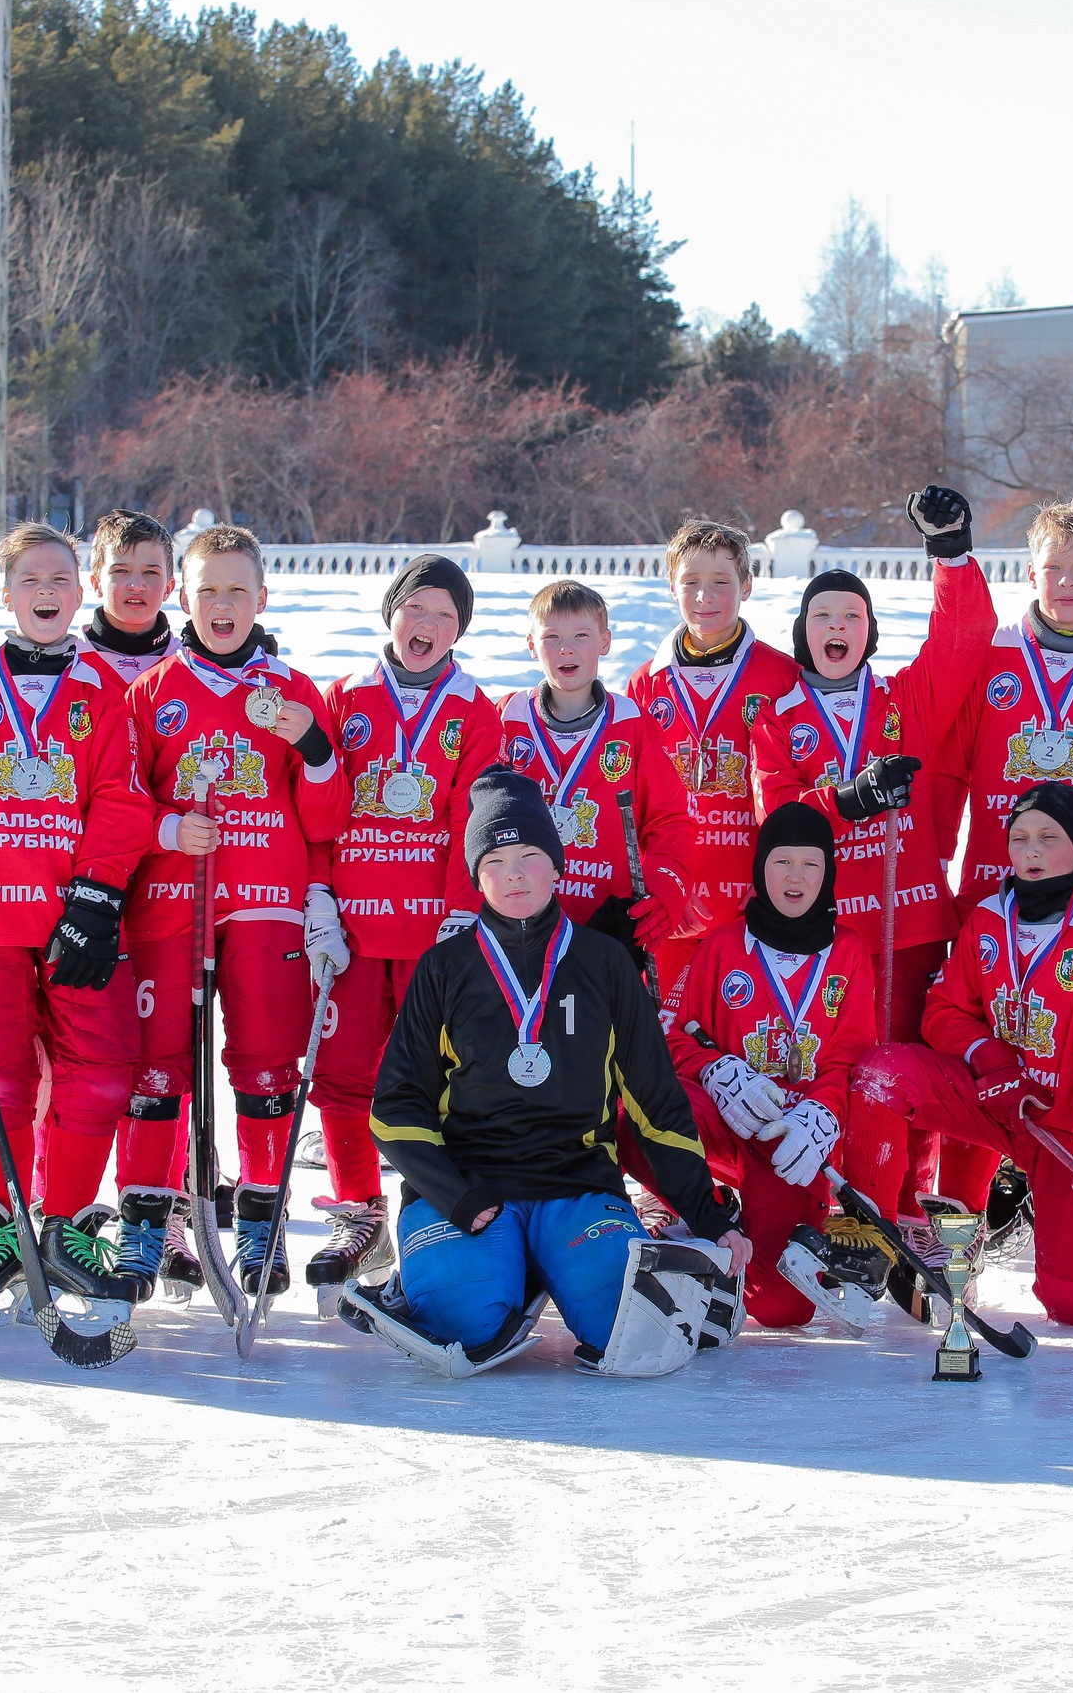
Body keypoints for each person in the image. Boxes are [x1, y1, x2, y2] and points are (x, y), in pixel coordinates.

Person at [342, 770, 748, 1378]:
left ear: (557, 866)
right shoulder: (444, 968)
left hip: (576, 1188)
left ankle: (541, 1262)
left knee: (625, 1330)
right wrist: (455, 1195)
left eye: (530, 856)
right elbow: (395, 1109)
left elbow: (656, 1104)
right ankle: (457, 1272)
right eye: (496, 859)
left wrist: (711, 1215)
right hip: (470, 1192)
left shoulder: (605, 963)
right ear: (477, 873)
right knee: (464, 1326)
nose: (514, 874)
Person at [0, 522, 154, 1321]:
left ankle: (67, 1227)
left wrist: (97, 893)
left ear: (79, 593)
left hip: (74, 925)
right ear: (7, 595)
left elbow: (122, 796)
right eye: (31, 581)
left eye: (61, 580)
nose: (47, 593)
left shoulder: (102, 691)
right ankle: (4, 1226)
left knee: (106, 1070)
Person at [749, 486, 990, 1246]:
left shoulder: (904, 701)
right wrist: (844, 800)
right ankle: (852, 1208)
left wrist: (949, 552)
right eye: (824, 616)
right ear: (803, 632)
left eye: (852, 616)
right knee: (842, 1072)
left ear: (870, 632)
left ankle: (910, 1214)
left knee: (911, 1067)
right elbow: (776, 816)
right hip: (827, 939)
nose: (838, 627)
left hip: (910, 920)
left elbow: (965, 639)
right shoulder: (778, 718)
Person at [118, 524, 350, 1303]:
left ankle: (262, 1219)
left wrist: (316, 748)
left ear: (261, 597)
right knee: (158, 1068)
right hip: (173, 904)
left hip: (264, 904)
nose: (222, 604)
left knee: (265, 1068)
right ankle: (148, 1222)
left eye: (237, 590)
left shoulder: (293, 689)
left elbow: (325, 818)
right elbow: (124, 798)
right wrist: (166, 828)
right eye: (207, 589)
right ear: (184, 596)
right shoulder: (151, 692)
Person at [850, 784, 1073, 1327]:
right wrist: (988, 1056)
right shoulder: (991, 916)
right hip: (997, 1099)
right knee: (880, 1073)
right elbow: (943, 1011)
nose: (1031, 851)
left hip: (1068, 1127)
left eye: (1048, 838)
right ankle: (881, 1235)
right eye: (1019, 838)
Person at [309, 555, 504, 1297]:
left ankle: (431, 1208)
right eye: (416, 609)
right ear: (391, 613)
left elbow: (473, 814)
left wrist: (465, 905)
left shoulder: (473, 709)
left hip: (432, 935)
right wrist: (317, 894)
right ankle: (358, 1211)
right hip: (354, 934)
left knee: (438, 1082)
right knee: (343, 1073)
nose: (428, 626)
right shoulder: (344, 696)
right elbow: (320, 805)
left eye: (446, 617)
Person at [663, 802, 881, 1328]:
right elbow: (676, 1039)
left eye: (810, 864)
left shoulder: (849, 951)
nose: (795, 878)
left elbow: (851, 1057)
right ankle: (708, 1211)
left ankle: (773, 1226)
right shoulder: (721, 944)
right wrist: (716, 1072)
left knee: (780, 1309)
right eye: (782, 862)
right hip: (732, 1123)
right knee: (643, 1109)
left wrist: (823, 1113)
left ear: (828, 872)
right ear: (760, 869)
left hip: (795, 1146)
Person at [944, 495, 1073, 916]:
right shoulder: (990, 658)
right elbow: (948, 768)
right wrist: (934, 860)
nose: (1066, 582)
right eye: (1053, 568)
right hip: (992, 880)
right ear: (1030, 574)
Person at [623, 521, 803, 995]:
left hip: (752, 899)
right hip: (672, 902)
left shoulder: (782, 676)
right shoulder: (646, 682)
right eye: (691, 582)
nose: (705, 596)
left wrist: (774, 882)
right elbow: (632, 803)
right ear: (671, 588)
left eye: (721, 582)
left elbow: (789, 794)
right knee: (666, 1043)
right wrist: (659, 891)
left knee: (743, 1038)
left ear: (747, 586)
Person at [495, 579, 696, 976]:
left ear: (604, 642)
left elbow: (670, 821)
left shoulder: (633, 724)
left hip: (606, 930)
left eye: (581, 635)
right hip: (518, 929)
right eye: (552, 637)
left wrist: (664, 889)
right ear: (532, 645)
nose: (566, 649)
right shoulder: (506, 718)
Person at [76, 510, 178, 692]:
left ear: (168, 588)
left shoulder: (189, 666)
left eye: (150, 572)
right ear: (97, 583)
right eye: (121, 571)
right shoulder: (69, 663)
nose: (137, 585)